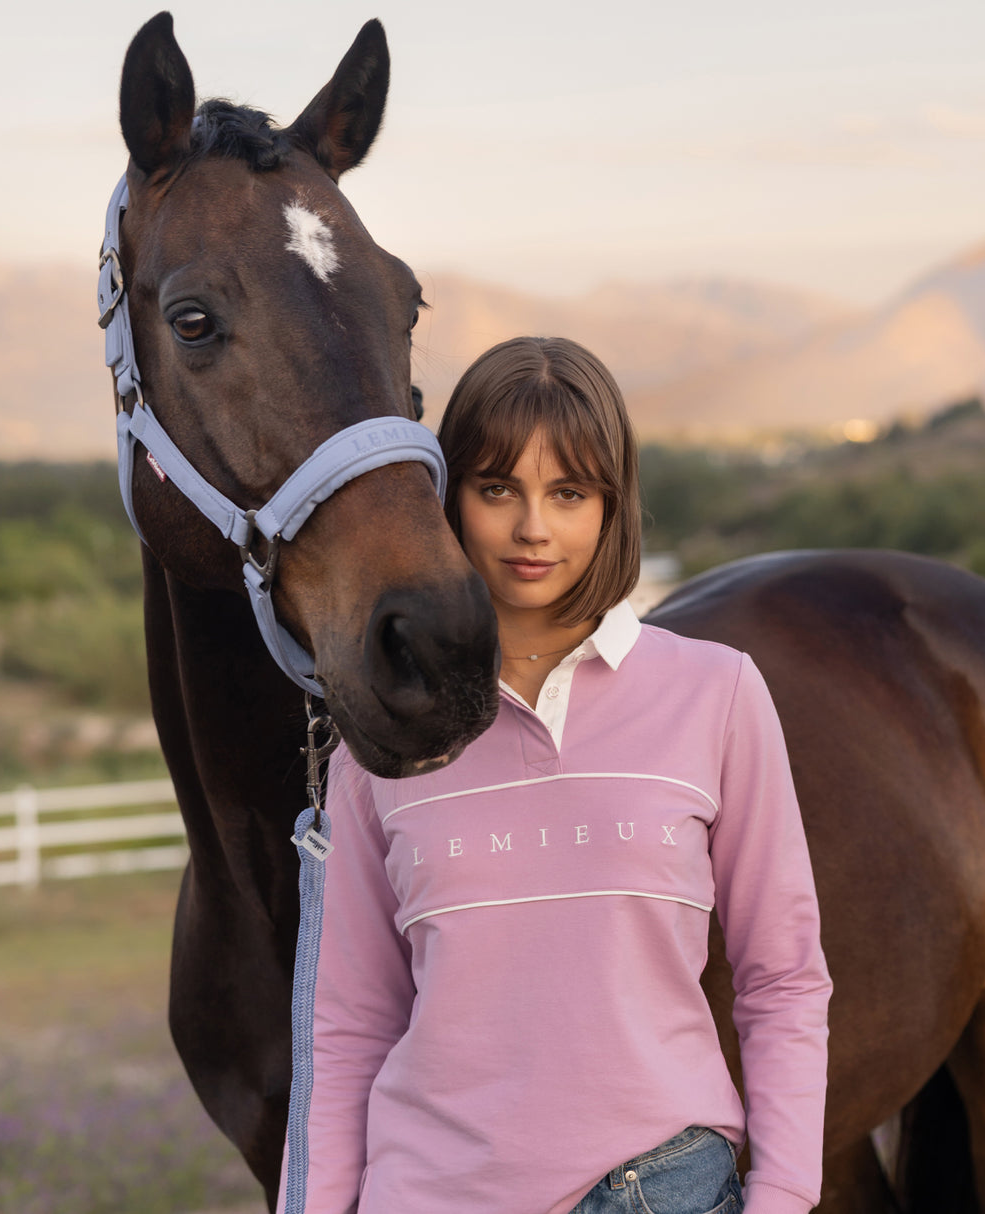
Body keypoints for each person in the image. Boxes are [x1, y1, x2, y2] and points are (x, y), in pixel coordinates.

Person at [279, 336, 831, 1214]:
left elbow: (784, 976)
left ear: (612, 507)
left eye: (568, 494)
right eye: (498, 489)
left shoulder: (717, 694)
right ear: (450, 497)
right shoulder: (379, 739)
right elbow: (349, 1027)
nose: (533, 529)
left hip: (665, 1190)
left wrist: (786, 1196)